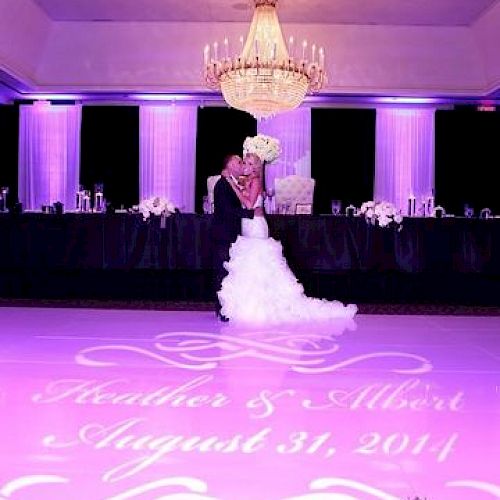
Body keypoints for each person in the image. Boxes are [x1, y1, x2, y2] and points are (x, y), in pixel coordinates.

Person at [217, 153, 357, 325]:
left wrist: (233, 185)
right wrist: (235, 184)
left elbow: (248, 204)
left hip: (255, 226)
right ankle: (249, 302)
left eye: (247, 162)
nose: (244, 164)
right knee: (249, 264)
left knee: (259, 262)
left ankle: (265, 306)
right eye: (243, 162)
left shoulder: (255, 181)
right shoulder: (247, 180)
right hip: (247, 225)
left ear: (255, 167)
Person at [211, 155, 263, 321]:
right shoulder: (222, 184)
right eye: (239, 162)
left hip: (243, 230)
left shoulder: (236, 181)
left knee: (236, 269)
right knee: (223, 270)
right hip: (225, 233)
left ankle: (234, 306)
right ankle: (222, 309)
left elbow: (247, 199)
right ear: (229, 165)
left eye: (245, 162)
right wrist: (249, 213)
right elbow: (226, 211)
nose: (242, 164)